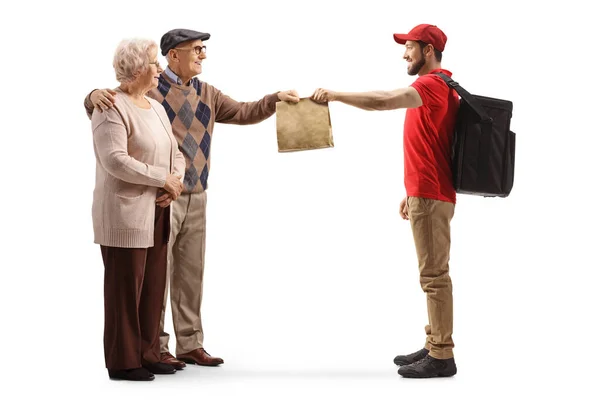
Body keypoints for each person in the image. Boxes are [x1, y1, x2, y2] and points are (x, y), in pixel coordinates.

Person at [85, 28, 300, 369]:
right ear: (173, 56)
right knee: (155, 274)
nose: (203, 55)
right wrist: (92, 94)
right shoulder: (151, 88)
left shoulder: (208, 93)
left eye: (203, 49)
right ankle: (155, 347)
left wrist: (275, 99)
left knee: (190, 272)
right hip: (156, 197)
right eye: (197, 49)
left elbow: (245, 112)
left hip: (196, 191)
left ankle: (190, 343)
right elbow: (112, 103)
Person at [311, 24, 460, 378]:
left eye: (409, 48)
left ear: (427, 50)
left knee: (434, 275)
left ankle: (442, 356)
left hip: (432, 194)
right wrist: (412, 193)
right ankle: (433, 343)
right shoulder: (441, 86)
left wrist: (335, 95)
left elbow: (382, 101)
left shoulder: (431, 85)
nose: (404, 54)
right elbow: (430, 145)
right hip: (427, 192)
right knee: (432, 273)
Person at [90, 38, 186, 381]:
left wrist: (174, 182)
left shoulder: (155, 107)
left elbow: (176, 152)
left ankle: (147, 352)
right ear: (137, 69)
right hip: (125, 213)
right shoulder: (110, 106)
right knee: (124, 289)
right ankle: (123, 360)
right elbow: (115, 161)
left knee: (152, 286)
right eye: (154, 64)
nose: (160, 69)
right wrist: (162, 179)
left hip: (158, 209)